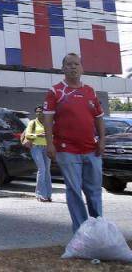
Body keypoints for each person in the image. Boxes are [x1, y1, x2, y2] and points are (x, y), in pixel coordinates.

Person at [43, 53, 105, 233]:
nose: (73, 67)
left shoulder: (90, 91)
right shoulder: (55, 91)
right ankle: (82, 232)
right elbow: (48, 120)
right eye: (69, 64)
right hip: (67, 150)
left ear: (82, 68)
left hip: (91, 150)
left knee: (94, 190)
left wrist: (102, 140)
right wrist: (49, 143)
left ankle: (98, 230)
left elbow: (99, 117)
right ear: (63, 68)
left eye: (76, 64)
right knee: (74, 190)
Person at [23, 105, 52, 202]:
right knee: (42, 169)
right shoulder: (33, 122)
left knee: (47, 171)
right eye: (37, 111)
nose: (39, 113)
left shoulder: (49, 122)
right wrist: (37, 135)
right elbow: (27, 134)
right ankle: (40, 194)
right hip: (36, 147)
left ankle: (48, 195)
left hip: (47, 147)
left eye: (41, 111)